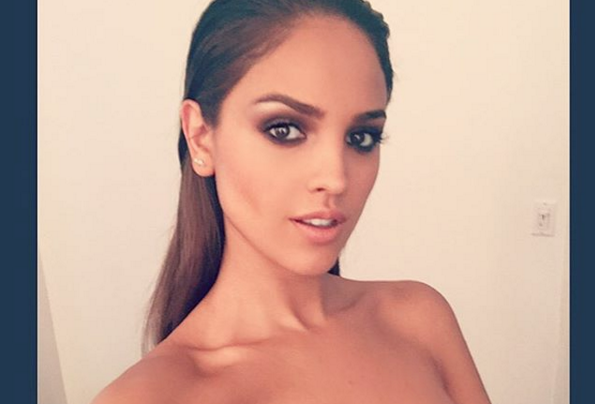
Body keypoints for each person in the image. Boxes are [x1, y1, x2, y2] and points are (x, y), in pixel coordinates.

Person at [93, 0, 492, 403]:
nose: (335, 178)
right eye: (284, 129)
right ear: (200, 137)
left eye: (361, 137)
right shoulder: (150, 396)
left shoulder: (418, 318)